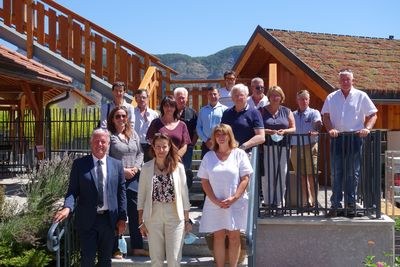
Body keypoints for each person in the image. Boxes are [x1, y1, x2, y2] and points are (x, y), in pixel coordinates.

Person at [53, 128, 127, 267]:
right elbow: (72, 191)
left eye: (103, 141)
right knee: (87, 259)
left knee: (105, 260)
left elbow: (121, 193)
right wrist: (67, 208)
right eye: (96, 141)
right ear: (90, 143)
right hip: (87, 220)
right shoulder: (79, 165)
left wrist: (122, 218)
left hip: (109, 220)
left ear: (108, 144)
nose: (100, 144)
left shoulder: (117, 165)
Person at [321, 69, 377, 217]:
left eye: (348, 79)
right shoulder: (331, 97)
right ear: (339, 81)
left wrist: (367, 128)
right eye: (343, 79)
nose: (345, 82)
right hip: (337, 137)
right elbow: (325, 116)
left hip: (355, 137)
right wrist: (330, 129)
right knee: (336, 172)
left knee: (353, 173)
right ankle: (336, 205)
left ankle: (350, 205)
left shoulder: (361, 96)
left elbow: (373, 114)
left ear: (353, 80)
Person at [198, 124, 253, 267]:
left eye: (224, 134)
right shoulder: (208, 156)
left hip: (236, 202)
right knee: (218, 236)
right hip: (214, 203)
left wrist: (234, 198)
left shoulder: (239, 154)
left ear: (230, 136)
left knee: (235, 237)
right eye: (218, 135)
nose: (221, 138)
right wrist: (215, 201)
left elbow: (245, 179)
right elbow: (204, 181)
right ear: (214, 138)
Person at [137, 133, 192, 267]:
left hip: (174, 215)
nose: (161, 150)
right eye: (158, 147)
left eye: (164, 147)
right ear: (153, 148)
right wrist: (141, 222)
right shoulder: (146, 168)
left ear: (169, 148)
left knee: (174, 259)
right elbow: (141, 196)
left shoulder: (178, 167)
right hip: (153, 215)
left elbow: (184, 195)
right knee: (156, 260)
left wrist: (187, 219)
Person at [107, 106, 148, 258]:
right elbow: (106, 157)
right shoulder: (110, 136)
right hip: (116, 178)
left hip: (134, 178)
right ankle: (115, 248)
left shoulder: (133, 134)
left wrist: (136, 168)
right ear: (113, 119)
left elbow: (140, 153)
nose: (121, 119)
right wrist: (122, 170)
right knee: (118, 213)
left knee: (135, 211)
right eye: (118, 116)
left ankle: (137, 247)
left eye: (124, 116)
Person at [260, 86, 296, 209]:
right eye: (272, 95)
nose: (275, 97)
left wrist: (285, 131)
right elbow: (256, 128)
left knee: (282, 173)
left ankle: (279, 202)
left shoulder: (287, 111)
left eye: (277, 95)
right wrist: (266, 131)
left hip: (283, 147)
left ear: (281, 97)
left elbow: (293, 128)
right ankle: (268, 202)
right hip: (266, 147)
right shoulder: (262, 111)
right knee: (267, 175)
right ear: (269, 97)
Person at [290, 90, 322, 208]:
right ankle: (305, 202)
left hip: (310, 146)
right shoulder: (292, 114)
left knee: (311, 175)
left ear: (309, 100)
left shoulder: (314, 112)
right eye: (301, 99)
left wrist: (316, 131)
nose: (303, 101)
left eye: (305, 99)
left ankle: (315, 202)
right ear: (297, 100)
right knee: (301, 176)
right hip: (295, 147)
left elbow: (318, 123)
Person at [221, 83, 265, 152]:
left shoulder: (254, 113)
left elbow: (261, 137)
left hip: (248, 153)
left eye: (241, 95)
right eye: (235, 95)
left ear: (247, 96)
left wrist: (243, 146)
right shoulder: (227, 113)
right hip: (229, 152)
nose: (238, 98)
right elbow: (222, 133)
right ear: (232, 98)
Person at [196, 86, 228, 157]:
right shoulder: (202, 110)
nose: (212, 96)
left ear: (219, 95)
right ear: (207, 96)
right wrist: (206, 140)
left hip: (220, 143)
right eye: (210, 94)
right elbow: (198, 127)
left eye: (214, 94)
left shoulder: (225, 110)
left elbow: (227, 128)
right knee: (206, 165)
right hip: (206, 143)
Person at [174, 87, 198, 171]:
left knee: (186, 171)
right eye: (179, 98)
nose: (181, 100)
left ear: (187, 99)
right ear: (175, 99)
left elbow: (196, 130)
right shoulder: (170, 112)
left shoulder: (192, 113)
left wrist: (191, 144)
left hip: (187, 148)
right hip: (172, 148)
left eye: (183, 98)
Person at [134, 89, 159, 162]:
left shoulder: (154, 114)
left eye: (144, 97)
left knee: (150, 169)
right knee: (137, 170)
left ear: (148, 98)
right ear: (135, 99)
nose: (141, 100)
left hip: (150, 146)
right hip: (136, 145)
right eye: (139, 97)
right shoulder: (131, 113)